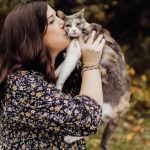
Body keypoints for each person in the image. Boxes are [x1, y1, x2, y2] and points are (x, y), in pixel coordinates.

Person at [0, 0, 105, 149]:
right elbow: (88, 121)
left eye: (57, 16)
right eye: (52, 20)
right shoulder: (22, 84)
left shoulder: (63, 71)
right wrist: (91, 64)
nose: (63, 22)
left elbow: (96, 106)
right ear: (33, 35)